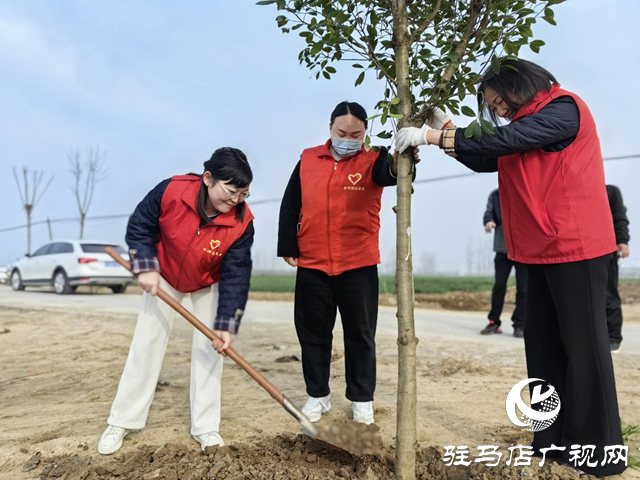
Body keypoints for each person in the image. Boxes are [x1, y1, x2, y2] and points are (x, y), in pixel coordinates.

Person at [395, 58, 625, 476]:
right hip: (534, 250)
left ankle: (598, 451)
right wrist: (444, 128)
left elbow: (505, 141)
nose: (498, 110)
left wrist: (430, 136)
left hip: (575, 246)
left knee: (584, 347)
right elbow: (487, 155)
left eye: (500, 100)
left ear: (519, 84)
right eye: (492, 106)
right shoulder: (517, 130)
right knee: (541, 346)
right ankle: (551, 442)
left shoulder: (564, 108)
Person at [97, 147, 254, 455]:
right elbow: (140, 226)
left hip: (208, 281)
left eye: (244, 194)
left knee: (210, 350)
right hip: (164, 274)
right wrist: (145, 267)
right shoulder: (172, 190)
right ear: (208, 178)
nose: (236, 200)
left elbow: (237, 274)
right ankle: (122, 421)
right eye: (231, 191)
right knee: (147, 344)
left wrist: (226, 325)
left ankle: (206, 427)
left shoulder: (243, 222)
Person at [278, 101, 418, 426]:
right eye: (342, 132)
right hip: (312, 261)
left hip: (358, 262)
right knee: (313, 333)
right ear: (330, 129)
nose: (348, 138)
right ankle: (318, 395)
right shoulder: (309, 157)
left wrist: (399, 160)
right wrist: (288, 243)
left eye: (356, 133)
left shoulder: (375, 156)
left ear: (365, 132)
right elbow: (290, 203)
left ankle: (361, 400)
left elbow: (392, 175)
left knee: (360, 334)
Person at [482, 188, 527, 337]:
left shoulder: (524, 191)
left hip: (523, 250)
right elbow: (488, 213)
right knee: (499, 286)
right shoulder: (495, 195)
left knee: (524, 289)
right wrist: (489, 221)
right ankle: (494, 322)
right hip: (502, 248)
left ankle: (519, 325)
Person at [606, 184, 631, 353]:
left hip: (605, 250)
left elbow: (619, 217)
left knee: (608, 294)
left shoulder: (610, 191)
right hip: (576, 251)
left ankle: (614, 337)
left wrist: (622, 240)